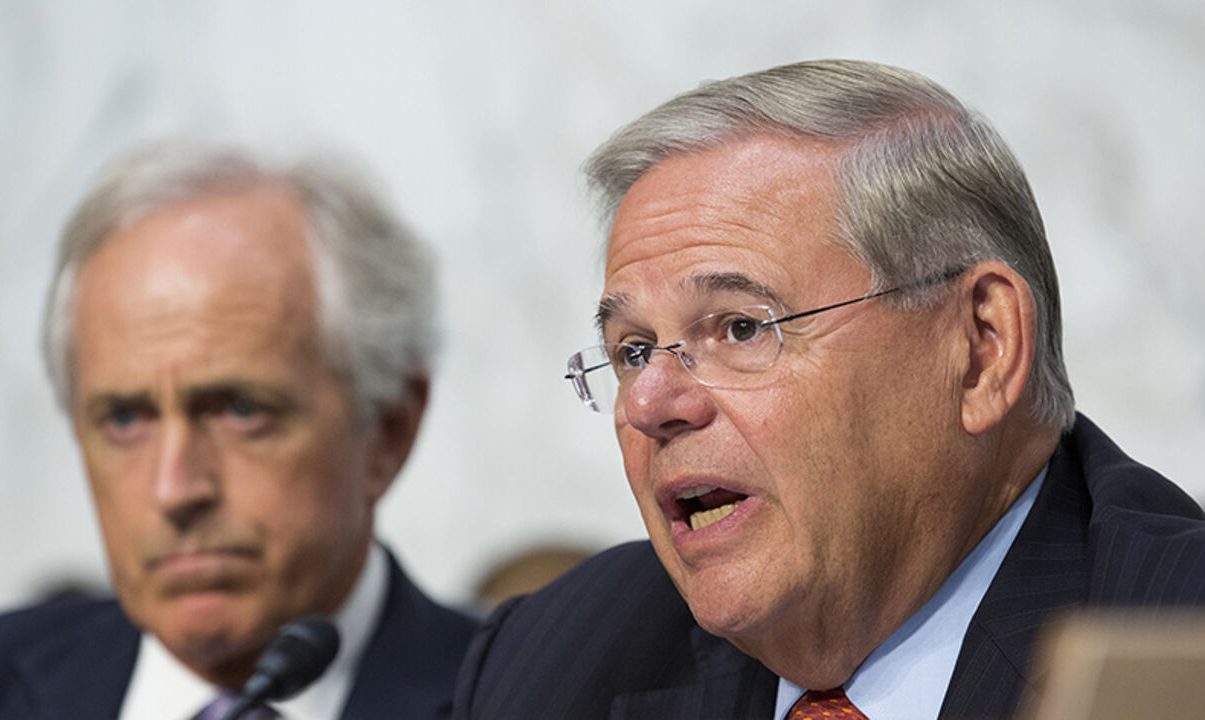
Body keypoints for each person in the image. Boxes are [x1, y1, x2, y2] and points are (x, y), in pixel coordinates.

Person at [454, 59, 1205, 720]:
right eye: (634, 350)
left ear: (981, 348)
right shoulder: (551, 665)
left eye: (741, 329)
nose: (650, 404)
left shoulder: (1175, 634)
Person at [0, 139, 477, 719]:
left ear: (390, 429)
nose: (176, 490)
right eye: (125, 419)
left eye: (242, 411)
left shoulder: (521, 700)